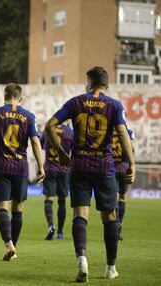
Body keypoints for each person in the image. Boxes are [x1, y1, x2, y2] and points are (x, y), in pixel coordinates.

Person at [45, 67, 135, 282]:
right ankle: (110, 267)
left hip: (79, 166)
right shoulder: (114, 105)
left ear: (90, 82)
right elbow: (122, 132)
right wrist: (131, 162)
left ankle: (82, 263)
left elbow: (50, 125)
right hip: (104, 167)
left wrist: (61, 153)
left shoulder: (76, 102)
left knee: (80, 214)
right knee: (109, 216)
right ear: (106, 85)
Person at [0, 83, 45, 261]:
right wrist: (40, 165)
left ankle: (9, 244)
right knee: (18, 207)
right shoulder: (29, 116)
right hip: (20, 167)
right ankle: (13, 247)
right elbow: (36, 142)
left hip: (1, 166)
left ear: (4, 96)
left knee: (1, 207)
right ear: (20, 98)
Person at [40, 121, 73, 240]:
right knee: (62, 200)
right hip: (64, 169)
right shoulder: (70, 132)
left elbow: (41, 144)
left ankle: (51, 226)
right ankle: (60, 232)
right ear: (68, 120)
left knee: (49, 198)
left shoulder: (48, 129)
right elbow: (73, 152)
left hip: (49, 168)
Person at [112, 127, 135, 240]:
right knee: (122, 197)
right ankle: (119, 223)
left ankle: (115, 223)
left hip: (111, 168)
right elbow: (132, 148)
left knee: (113, 197)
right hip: (124, 168)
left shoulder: (109, 131)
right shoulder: (129, 132)